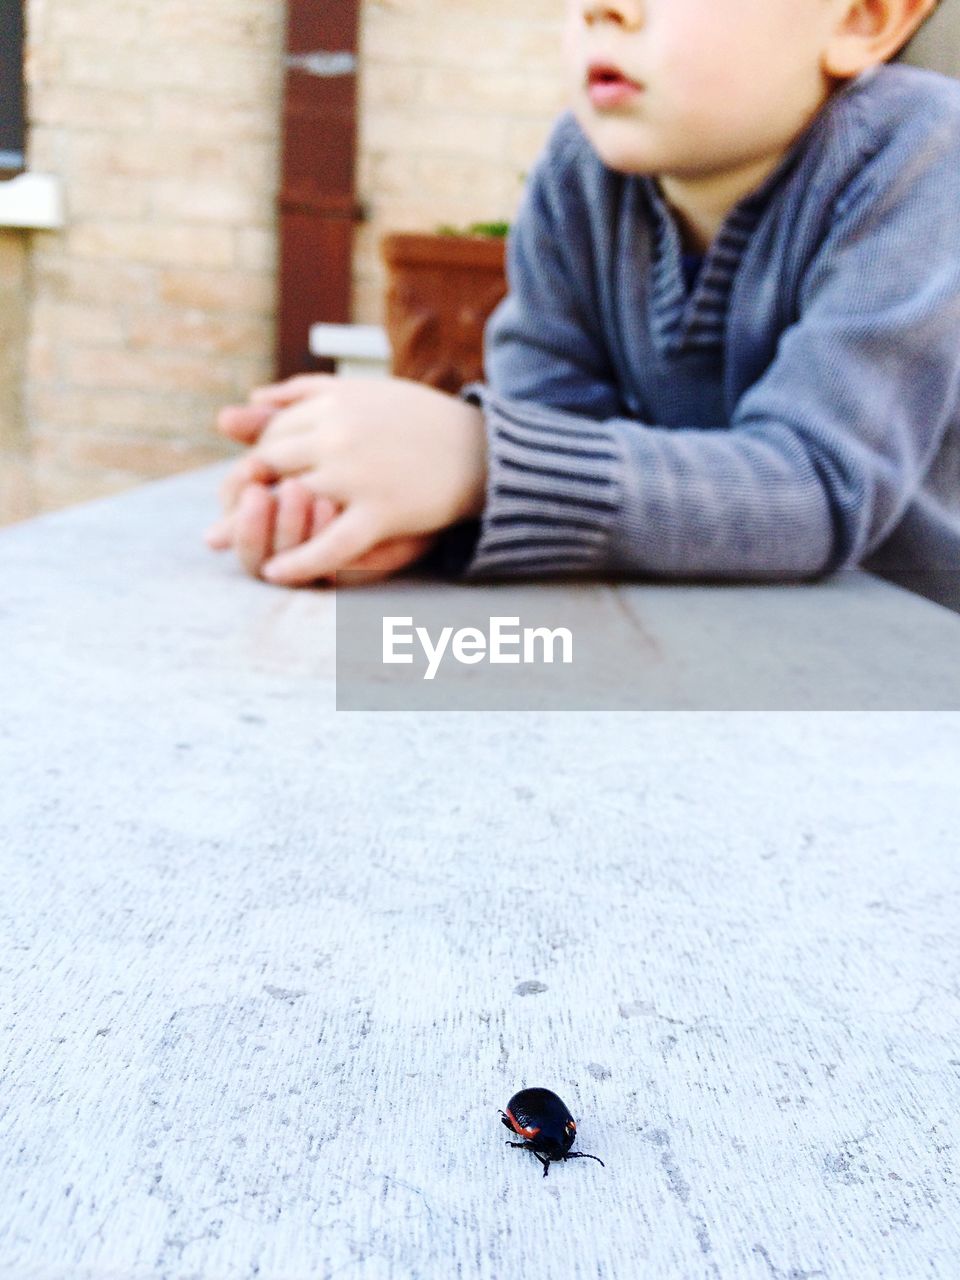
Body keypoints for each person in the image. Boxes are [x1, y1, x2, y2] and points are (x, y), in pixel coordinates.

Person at [206, 0, 959, 607]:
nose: (605, 10)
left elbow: (818, 491)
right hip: (710, 662)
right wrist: (421, 509)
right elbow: (562, 444)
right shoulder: (580, 176)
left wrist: (479, 461)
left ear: (865, 17)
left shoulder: (924, 160)